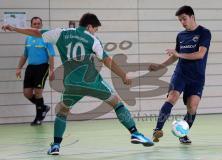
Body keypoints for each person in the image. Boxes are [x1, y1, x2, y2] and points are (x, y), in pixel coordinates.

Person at [2, 13, 154, 155]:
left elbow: (37, 32)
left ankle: (55, 146)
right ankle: (135, 133)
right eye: (95, 29)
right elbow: (106, 60)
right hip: (92, 82)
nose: (95, 32)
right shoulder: (92, 39)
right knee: (117, 103)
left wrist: (14, 28)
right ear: (89, 26)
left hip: (71, 84)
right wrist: (123, 75)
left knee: (62, 112)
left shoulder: (61, 33)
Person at [149, 5, 211, 144]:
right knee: (172, 97)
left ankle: (183, 134)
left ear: (192, 17)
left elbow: (200, 54)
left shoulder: (204, 33)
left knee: (192, 107)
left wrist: (179, 54)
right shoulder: (181, 35)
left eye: (184, 19)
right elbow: (176, 56)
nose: (182, 22)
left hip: (197, 77)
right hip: (181, 74)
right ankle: (157, 129)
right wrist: (160, 66)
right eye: (180, 20)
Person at [16, 17, 55, 126]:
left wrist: (52, 70)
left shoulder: (46, 38)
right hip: (31, 67)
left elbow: (51, 55)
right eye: (34, 24)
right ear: (31, 25)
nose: (37, 25)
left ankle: (39, 118)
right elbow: (25, 55)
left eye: (38, 24)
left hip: (42, 67)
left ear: (41, 25)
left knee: (38, 92)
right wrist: (19, 68)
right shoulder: (28, 38)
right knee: (27, 93)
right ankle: (43, 107)